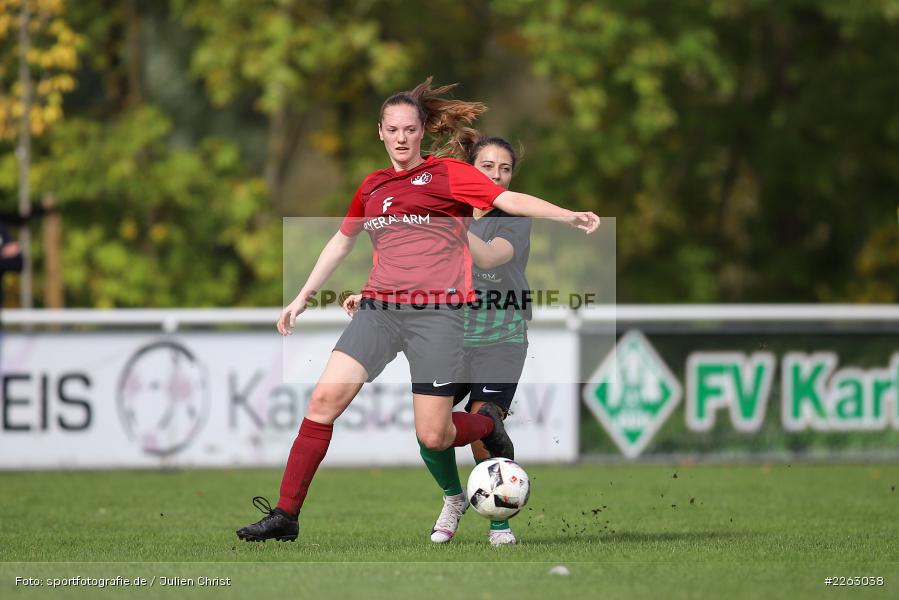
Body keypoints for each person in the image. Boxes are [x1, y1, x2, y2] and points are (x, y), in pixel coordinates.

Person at [236, 77, 599, 542]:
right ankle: (285, 515)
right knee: (322, 402)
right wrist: (303, 295)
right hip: (379, 312)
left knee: (435, 436)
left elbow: (506, 200)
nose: (402, 137)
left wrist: (567, 214)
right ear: (381, 133)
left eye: (410, 128)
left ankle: (486, 423)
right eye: (393, 129)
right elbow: (343, 240)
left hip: (438, 317)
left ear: (422, 131)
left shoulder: (447, 173)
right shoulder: (372, 186)